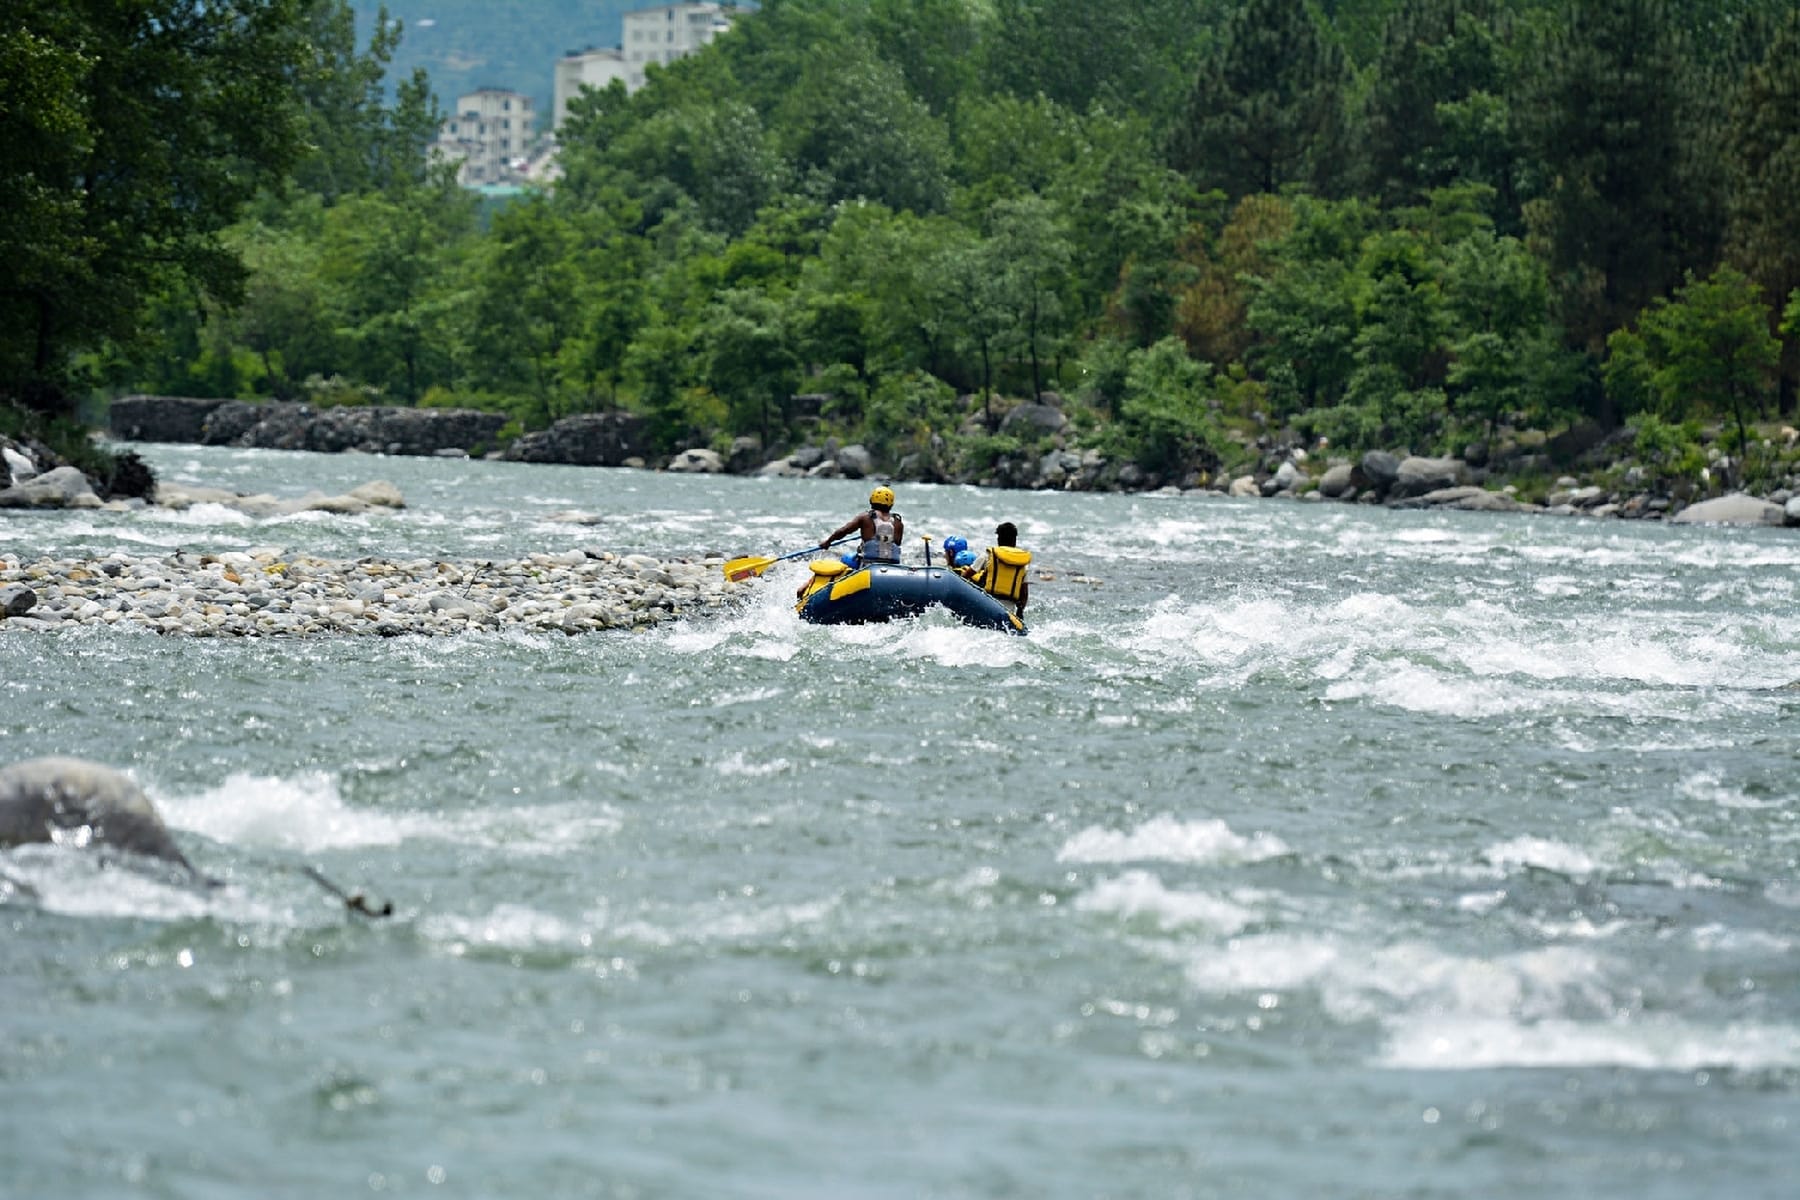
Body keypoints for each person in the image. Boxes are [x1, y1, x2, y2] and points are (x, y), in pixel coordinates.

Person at [822, 485, 904, 566]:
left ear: (871, 501)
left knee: (846, 559)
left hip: (869, 563)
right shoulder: (898, 523)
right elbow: (897, 543)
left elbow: (844, 531)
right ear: (891, 504)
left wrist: (828, 542)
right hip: (893, 565)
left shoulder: (865, 517)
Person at [969, 521, 1030, 616]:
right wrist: (1020, 611)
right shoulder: (1022, 563)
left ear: (998, 539)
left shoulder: (988, 555)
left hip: (986, 605)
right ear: (1014, 540)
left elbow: (966, 575)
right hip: (1008, 612)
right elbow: (1024, 593)